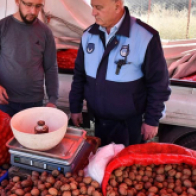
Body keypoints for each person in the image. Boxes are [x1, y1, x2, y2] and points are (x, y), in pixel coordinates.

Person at [69, 0, 171, 147]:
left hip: (130, 126)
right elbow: (79, 75)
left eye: (99, 7)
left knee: (126, 168)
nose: (93, 13)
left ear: (117, 6)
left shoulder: (145, 36)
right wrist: (75, 107)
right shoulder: (88, 36)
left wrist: (152, 120)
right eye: (92, 7)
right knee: (101, 163)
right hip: (100, 123)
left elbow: (158, 84)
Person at [0, 0, 58, 117]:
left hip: (34, 102)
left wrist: (52, 100)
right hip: (5, 101)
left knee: (32, 135)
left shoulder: (45, 32)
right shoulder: (1, 27)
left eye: (38, 6)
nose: (33, 11)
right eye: (29, 4)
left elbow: (51, 67)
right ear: (17, 1)